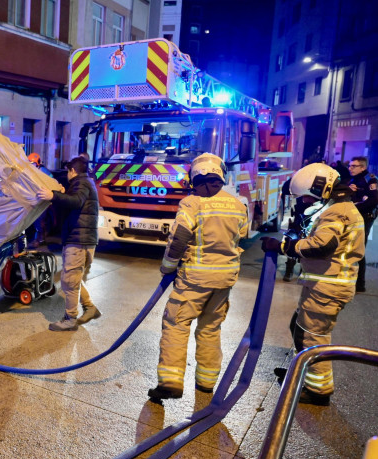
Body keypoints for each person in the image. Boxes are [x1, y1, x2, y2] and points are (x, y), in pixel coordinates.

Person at [261, 163, 364, 405]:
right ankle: (303, 373)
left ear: (320, 188)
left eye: (307, 196)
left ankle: (318, 391)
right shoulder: (336, 207)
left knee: (313, 338)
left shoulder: (336, 212)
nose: (306, 202)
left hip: (328, 288)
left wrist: (284, 247)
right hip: (323, 286)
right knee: (299, 329)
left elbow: (321, 245)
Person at [148, 153, 249, 401]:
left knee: (176, 325)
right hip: (225, 280)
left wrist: (168, 267)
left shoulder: (192, 203)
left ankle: (171, 382)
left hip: (194, 279)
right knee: (210, 329)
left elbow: (180, 236)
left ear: (195, 176)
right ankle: (205, 384)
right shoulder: (237, 204)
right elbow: (242, 234)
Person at [36, 156, 100, 330]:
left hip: (78, 240)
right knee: (75, 278)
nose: (67, 174)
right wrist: (63, 195)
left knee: (69, 281)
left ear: (73, 171)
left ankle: (70, 319)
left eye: (68, 171)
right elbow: (75, 202)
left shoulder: (82, 183)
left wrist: (53, 195)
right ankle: (90, 308)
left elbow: (76, 201)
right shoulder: (87, 182)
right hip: (83, 239)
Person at [346, 156, 378, 292]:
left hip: (365, 218)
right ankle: (350, 279)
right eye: (350, 165)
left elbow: (373, 200)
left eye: (354, 166)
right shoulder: (354, 179)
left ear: (363, 167)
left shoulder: (370, 179)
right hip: (353, 218)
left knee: (359, 249)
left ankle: (360, 284)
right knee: (349, 247)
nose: (350, 168)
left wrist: (354, 208)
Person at [27, 153, 53, 248]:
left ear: (37, 163)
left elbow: (52, 182)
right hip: (34, 199)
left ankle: (39, 239)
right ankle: (35, 239)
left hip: (43, 199)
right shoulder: (30, 172)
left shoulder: (43, 171)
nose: (31, 166)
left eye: (33, 164)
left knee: (39, 220)